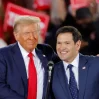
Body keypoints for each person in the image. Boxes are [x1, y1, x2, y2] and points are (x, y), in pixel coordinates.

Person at [0, 15, 59, 99]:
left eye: (35, 32)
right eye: (26, 33)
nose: (32, 37)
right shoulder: (3, 55)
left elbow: (63, 68)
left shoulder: (46, 51)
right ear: (16, 35)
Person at [52, 26, 99, 99]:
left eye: (67, 43)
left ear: (77, 45)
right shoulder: (52, 72)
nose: (61, 47)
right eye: (59, 43)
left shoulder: (95, 63)